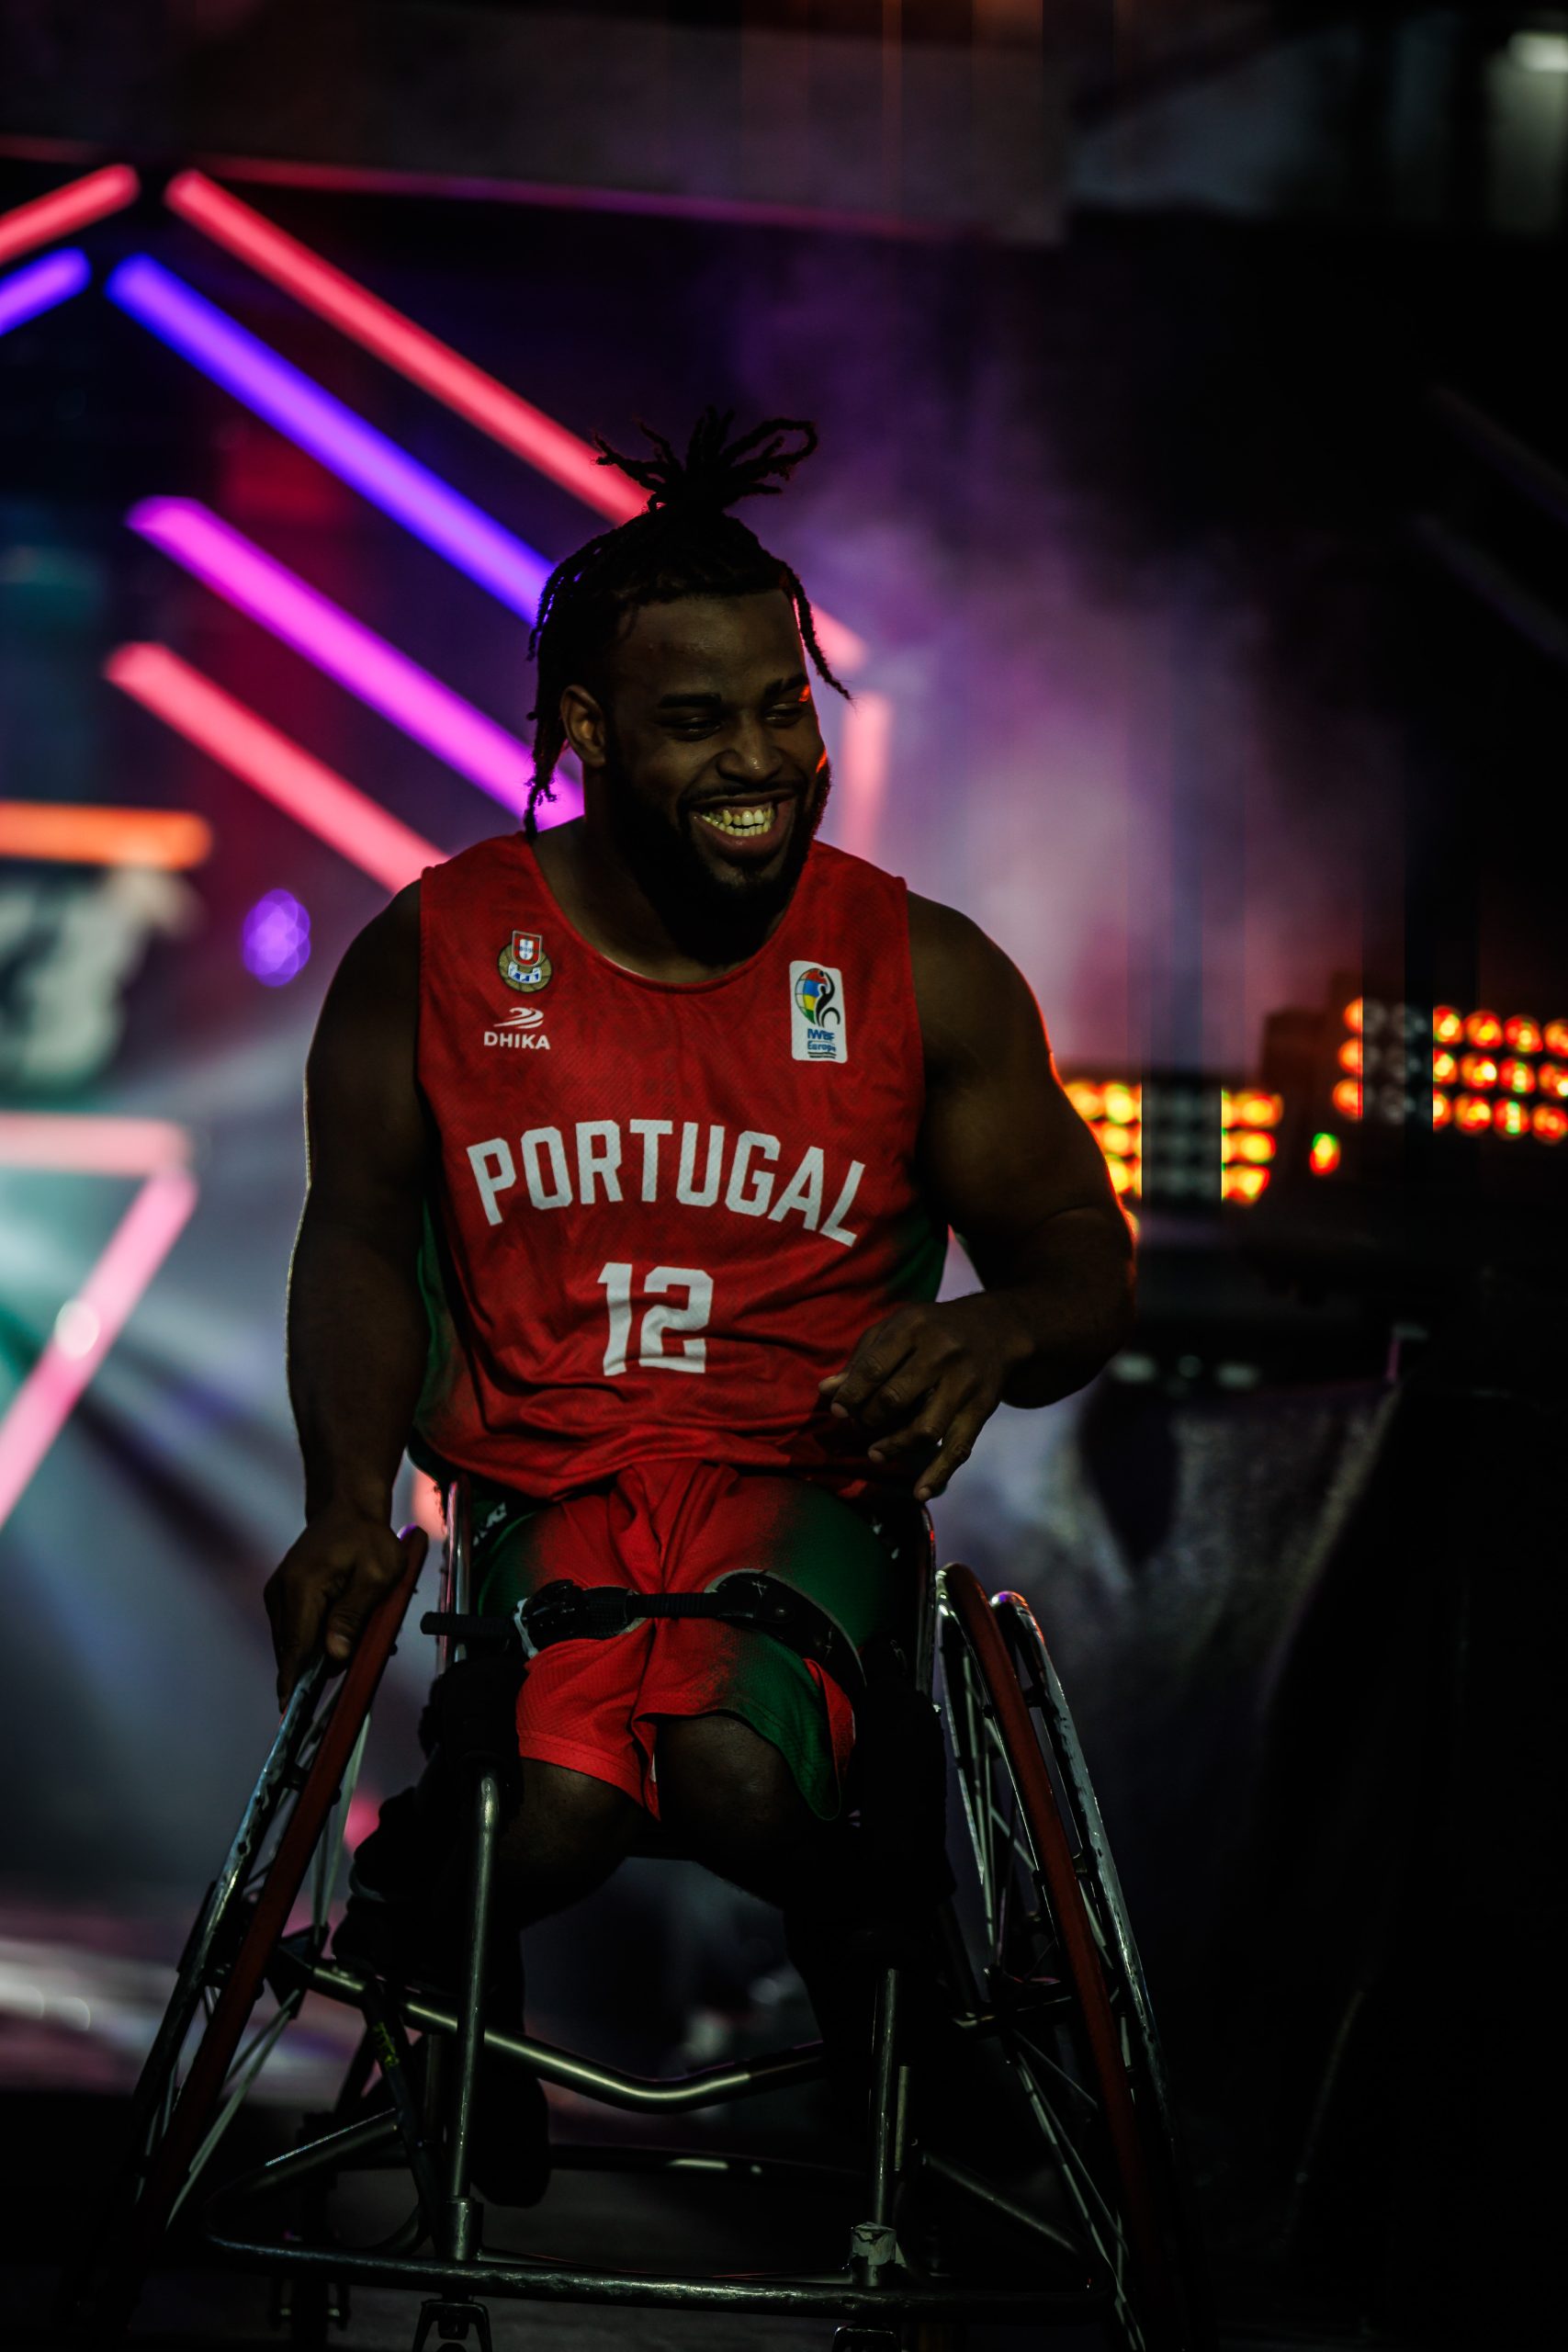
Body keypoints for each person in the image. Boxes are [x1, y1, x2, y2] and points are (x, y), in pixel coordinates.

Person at [264, 410, 1133, 2198]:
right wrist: (345, 1501)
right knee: (553, 1812)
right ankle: (432, 1946)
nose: (758, 760)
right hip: (546, 1487)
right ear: (584, 730)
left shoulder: (919, 969)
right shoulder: (437, 950)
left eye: (782, 711)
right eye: (696, 721)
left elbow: (1080, 1254)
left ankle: (912, 2006)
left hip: (802, 1486)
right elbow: (354, 1237)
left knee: (739, 1772)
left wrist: (984, 1332)